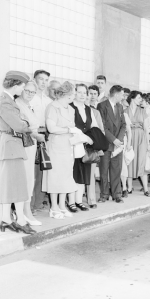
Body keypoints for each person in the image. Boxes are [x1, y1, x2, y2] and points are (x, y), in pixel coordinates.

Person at [0, 71, 36, 235]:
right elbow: (20, 126)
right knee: (18, 184)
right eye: (23, 86)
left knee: (11, 185)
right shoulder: (6, 102)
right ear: (15, 85)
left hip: (12, 144)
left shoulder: (8, 101)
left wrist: (23, 123)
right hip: (12, 144)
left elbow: (19, 124)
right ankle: (20, 220)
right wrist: (26, 124)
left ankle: (6, 219)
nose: (24, 89)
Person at [42, 81, 77, 219]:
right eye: (73, 94)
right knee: (55, 176)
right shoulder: (52, 107)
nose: (73, 96)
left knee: (66, 176)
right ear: (66, 94)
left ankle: (62, 206)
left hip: (68, 145)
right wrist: (69, 129)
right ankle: (54, 207)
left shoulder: (71, 109)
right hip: (55, 145)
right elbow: (51, 128)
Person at [15, 80, 46, 226]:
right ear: (21, 89)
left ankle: (24, 211)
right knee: (25, 178)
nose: (30, 94)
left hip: (31, 145)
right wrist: (36, 134)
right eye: (27, 91)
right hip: (24, 144)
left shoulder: (29, 105)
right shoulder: (17, 104)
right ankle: (24, 212)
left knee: (29, 178)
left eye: (33, 92)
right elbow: (22, 127)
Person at [67, 84, 98, 212]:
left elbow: (94, 126)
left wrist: (93, 139)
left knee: (83, 174)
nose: (82, 95)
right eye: (79, 92)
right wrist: (84, 138)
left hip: (85, 147)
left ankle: (79, 201)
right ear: (74, 93)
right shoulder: (69, 107)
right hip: (73, 145)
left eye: (84, 93)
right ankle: (71, 202)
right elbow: (69, 127)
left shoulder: (88, 109)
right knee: (72, 173)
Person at [97, 85, 127, 203]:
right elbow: (102, 126)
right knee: (104, 170)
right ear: (116, 94)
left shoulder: (120, 107)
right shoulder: (102, 106)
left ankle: (117, 194)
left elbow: (123, 124)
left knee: (116, 169)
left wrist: (118, 140)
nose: (123, 97)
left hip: (117, 144)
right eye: (122, 94)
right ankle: (104, 194)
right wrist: (113, 139)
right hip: (107, 143)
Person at [29, 70, 52, 212]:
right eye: (41, 79)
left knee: (43, 170)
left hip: (46, 135)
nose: (43, 82)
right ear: (34, 80)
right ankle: (30, 205)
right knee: (33, 173)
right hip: (33, 135)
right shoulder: (30, 98)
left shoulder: (48, 100)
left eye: (46, 80)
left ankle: (38, 202)